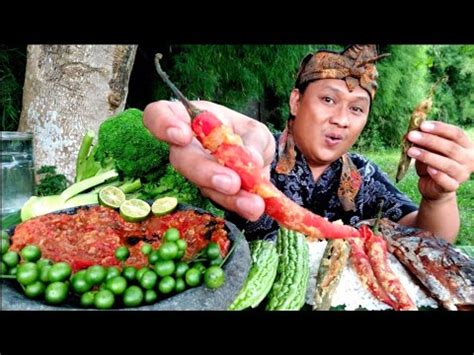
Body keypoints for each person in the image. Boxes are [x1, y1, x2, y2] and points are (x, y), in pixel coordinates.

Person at [143, 44, 474, 243]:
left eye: (357, 108)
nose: (342, 119)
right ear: (296, 102)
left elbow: (427, 237)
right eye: (329, 100)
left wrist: (440, 198)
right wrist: (202, 141)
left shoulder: (363, 175)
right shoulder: (255, 154)